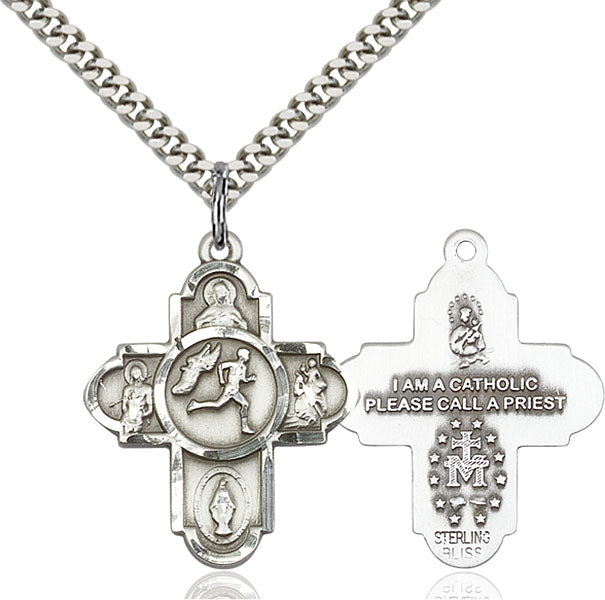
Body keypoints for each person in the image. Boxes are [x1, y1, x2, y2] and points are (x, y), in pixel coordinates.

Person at [187, 348, 256, 434]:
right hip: (230, 389)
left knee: (245, 404)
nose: (248, 357)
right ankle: (196, 405)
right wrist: (221, 379)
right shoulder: (233, 365)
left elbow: (243, 379)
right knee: (217, 404)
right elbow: (220, 366)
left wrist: (249, 379)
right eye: (247, 355)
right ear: (242, 356)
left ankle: (244, 427)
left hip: (236, 390)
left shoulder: (244, 368)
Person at [120, 361, 153, 435]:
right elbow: (124, 407)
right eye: (133, 372)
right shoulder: (127, 389)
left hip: (138, 420)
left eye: (137, 372)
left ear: (142, 373)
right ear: (130, 374)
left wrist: (140, 415)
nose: (135, 374)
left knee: (137, 437)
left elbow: (150, 409)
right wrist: (131, 413)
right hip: (126, 419)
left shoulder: (147, 388)